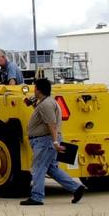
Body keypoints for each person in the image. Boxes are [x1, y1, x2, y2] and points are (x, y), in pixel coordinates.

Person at [20, 77, 86, 206]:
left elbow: (52, 124)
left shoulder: (46, 104)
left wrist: (55, 142)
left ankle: (37, 197)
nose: (34, 90)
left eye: (35, 88)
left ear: (38, 89)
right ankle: (76, 188)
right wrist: (33, 103)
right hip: (46, 140)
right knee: (51, 168)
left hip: (44, 141)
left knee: (38, 168)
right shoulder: (45, 102)